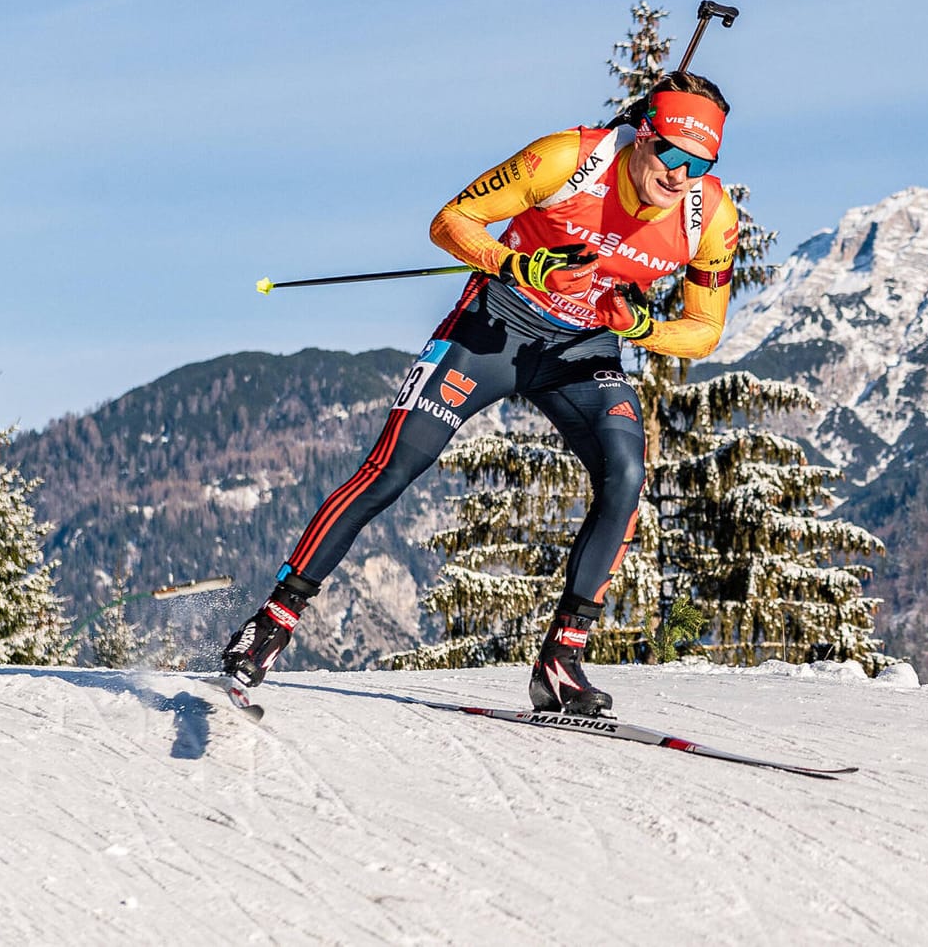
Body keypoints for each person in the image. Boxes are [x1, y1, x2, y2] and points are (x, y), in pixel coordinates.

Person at [221, 72, 740, 716]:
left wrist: (640, 326)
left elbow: (704, 331)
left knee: (625, 472)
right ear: (642, 134)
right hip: (494, 326)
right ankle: (271, 622)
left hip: (582, 350)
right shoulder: (566, 160)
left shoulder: (708, 215)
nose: (680, 174)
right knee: (394, 468)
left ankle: (561, 661)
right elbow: (451, 221)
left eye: (700, 162)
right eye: (671, 153)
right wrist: (517, 263)